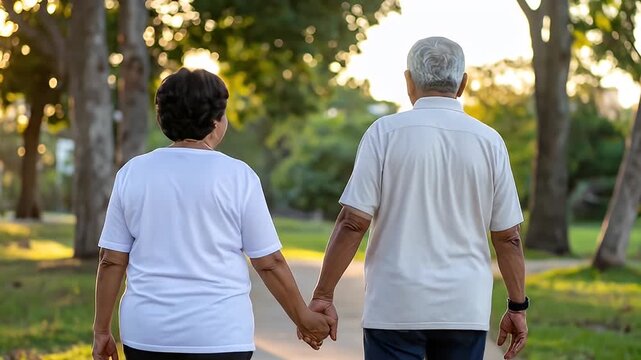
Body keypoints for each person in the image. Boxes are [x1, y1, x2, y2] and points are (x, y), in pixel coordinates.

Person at [305, 37, 529, 360]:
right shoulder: (489, 142)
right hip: (463, 309)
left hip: (394, 306)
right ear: (463, 84)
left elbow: (353, 222)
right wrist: (517, 306)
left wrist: (323, 294)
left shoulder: (384, 133)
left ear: (408, 81)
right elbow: (509, 238)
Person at [92, 68, 333, 360]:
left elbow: (111, 260)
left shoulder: (133, 173)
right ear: (216, 121)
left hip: (147, 336)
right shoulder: (238, 176)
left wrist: (101, 331)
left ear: (161, 119)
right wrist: (303, 318)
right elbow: (269, 262)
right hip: (221, 337)